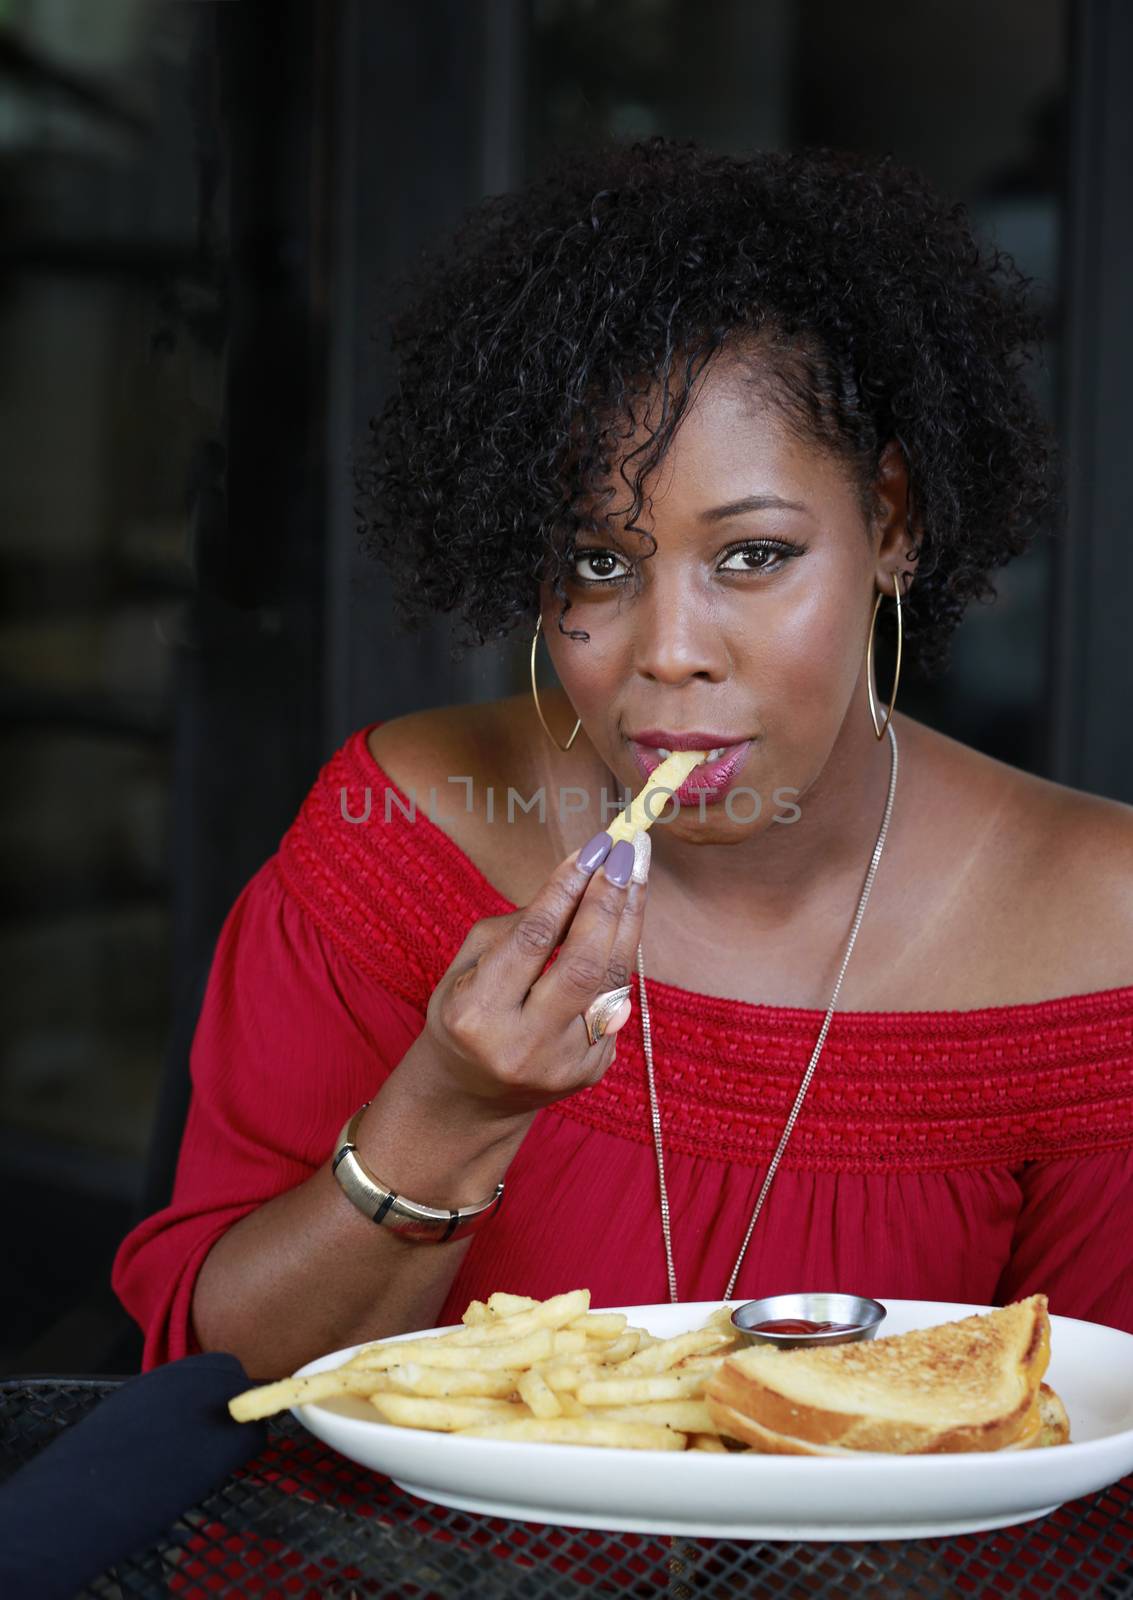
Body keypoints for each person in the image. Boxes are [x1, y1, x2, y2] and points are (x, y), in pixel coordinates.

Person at [113, 138, 1133, 1380]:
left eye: (751, 555)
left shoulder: (1101, 923)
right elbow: (217, 1381)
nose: (669, 653)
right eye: (599, 561)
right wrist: (448, 1107)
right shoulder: (402, 833)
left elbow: (1089, 1443)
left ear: (893, 524)